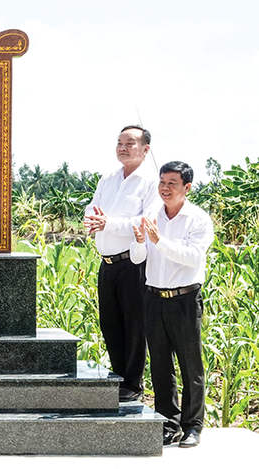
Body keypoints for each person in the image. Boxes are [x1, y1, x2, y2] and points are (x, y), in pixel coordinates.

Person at [131, 161, 213, 448]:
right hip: (154, 298)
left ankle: (193, 427)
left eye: (171, 184)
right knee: (161, 365)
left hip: (184, 300)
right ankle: (169, 423)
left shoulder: (198, 219)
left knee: (191, 365)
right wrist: (141, 241)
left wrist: (159, 240)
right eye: (162, 182)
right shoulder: (151, 214)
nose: (164, 189)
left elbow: (193, 257)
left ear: (186, 188)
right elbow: (139, 258)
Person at [84, 125, 159, 402]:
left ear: (145, 149)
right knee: (110, 323)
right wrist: (94, 219)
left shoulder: (150, 182)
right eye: (119, 143)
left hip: (133, 264)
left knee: (134, 326)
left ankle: (132, 385)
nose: (123, 148)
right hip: (107, 264)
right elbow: (92, 208)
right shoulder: (108, 178)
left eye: (130, 143)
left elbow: (145, 222)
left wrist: (108, 223)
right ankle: (118, 379)